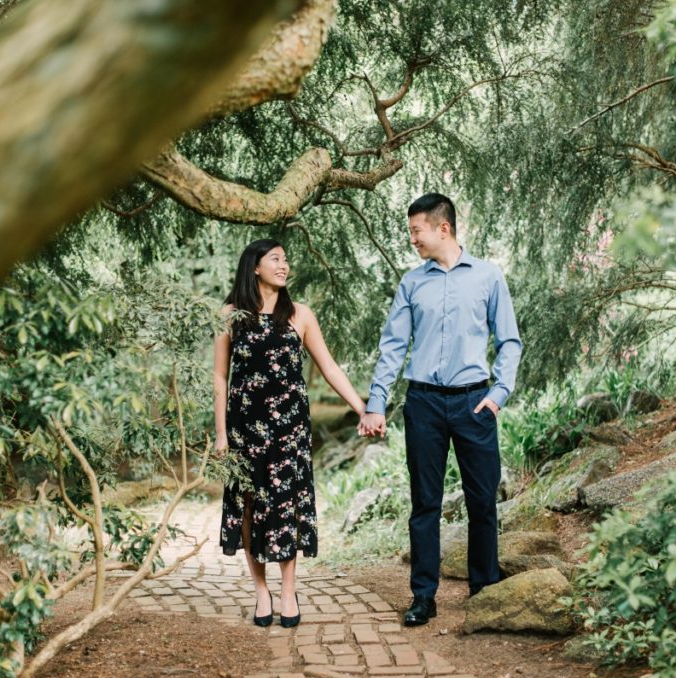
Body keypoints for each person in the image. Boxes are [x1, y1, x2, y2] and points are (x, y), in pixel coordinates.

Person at [358, 193, 522, 627]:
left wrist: (499, 392)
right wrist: (376, 403)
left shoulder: (489, 278)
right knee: (425, 503)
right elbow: (393, 347)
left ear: (442, 228)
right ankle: (423, 597)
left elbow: (509, 341)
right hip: (424, 402)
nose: (412, 238)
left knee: (482, 500)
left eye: (416, 230)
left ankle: (484, 591)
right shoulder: (413, 283)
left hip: (475, 402)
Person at [214, 238, 366, 628]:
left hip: (289, 430)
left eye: (285, 259)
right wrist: (221, 434)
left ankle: (287, 589)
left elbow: (329, 368)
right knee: (249, 506)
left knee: (285, 506)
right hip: (245, 429)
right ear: (255, 267)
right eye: (275, 259)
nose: (284, 265)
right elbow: (219, 377)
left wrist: (361, 407)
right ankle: (261, 591)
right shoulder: (230, 314)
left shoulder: (300, 314)